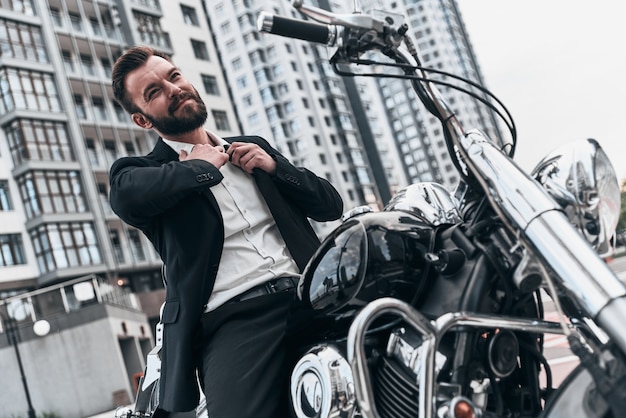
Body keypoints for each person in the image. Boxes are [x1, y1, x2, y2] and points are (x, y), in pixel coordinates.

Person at [108, 45, 343, 417]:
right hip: (236, 322)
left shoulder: (254, 149)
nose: (173, 90)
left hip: (313, 295)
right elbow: (125, 198)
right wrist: (198, 169)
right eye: (154, 92)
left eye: (174, 77)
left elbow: (330, 206)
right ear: (143, 120)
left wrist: (275, 167)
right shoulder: (141, 172)